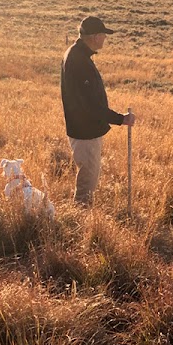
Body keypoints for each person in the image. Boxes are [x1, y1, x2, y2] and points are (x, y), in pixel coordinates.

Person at [61, 16, 135, 205]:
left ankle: (80, 216)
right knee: (87, 182)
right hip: (85, 131)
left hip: (83, 128)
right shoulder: (79, 60)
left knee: (88, 177)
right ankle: (80, 222)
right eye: (103, 35)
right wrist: (120, 119)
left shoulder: (77, 54)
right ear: (94, 37)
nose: (104, 39)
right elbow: (91, 104)